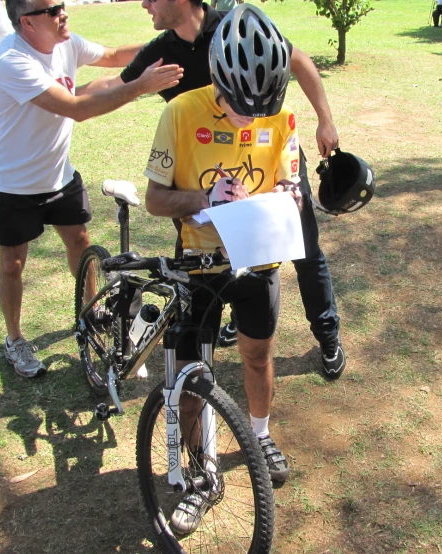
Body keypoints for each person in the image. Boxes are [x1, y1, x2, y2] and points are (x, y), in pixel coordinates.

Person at [91, 0, 346, 379]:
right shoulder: (163, 50)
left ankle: (327, 336)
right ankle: (230, 317)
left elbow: (300, 61)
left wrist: (324, 120)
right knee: (207, 257)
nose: (144, 3)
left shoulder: (239, 28)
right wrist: (64, 101)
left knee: (303, 248)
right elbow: (113, 84)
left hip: (265, 156)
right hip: (203, 174)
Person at [143, 4, 301, 531]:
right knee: (192, 378)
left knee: (258, 357)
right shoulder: (181, 112)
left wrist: (288, 193)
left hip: (259, 256)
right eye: (238, 106)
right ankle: (198, 470)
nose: (251, 118)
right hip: (200, 263)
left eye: (263, 107)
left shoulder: (281, 113)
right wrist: (203, 197)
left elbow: (289, 180)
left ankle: (259, 436)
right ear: (218, 76)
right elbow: (154, 200)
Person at [0, 0, 183, 378]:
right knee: (12, 264)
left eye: (62, 5)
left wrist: (165, 43)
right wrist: (140, 86)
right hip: (11, 183)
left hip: (58, 175)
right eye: (53, 10)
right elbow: (76, 108)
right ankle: (14, 339)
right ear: (27, 22)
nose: (64, 13)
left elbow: (111, 56)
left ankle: (93, 311)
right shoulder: (11, 60)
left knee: (81, 244)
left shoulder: (65, 41)